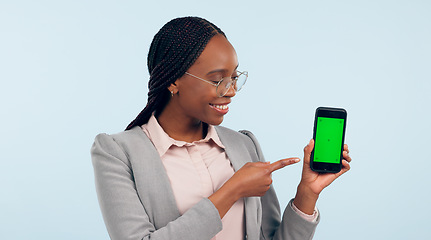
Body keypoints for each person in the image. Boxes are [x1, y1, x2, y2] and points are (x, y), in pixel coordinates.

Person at [91, 16, 351, 240]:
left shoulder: (243, 145)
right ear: (173, 81)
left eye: (235, 78)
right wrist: (232, 190)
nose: (232, 91)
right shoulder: (117, 152)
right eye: (218, 80)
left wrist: (307, 193)